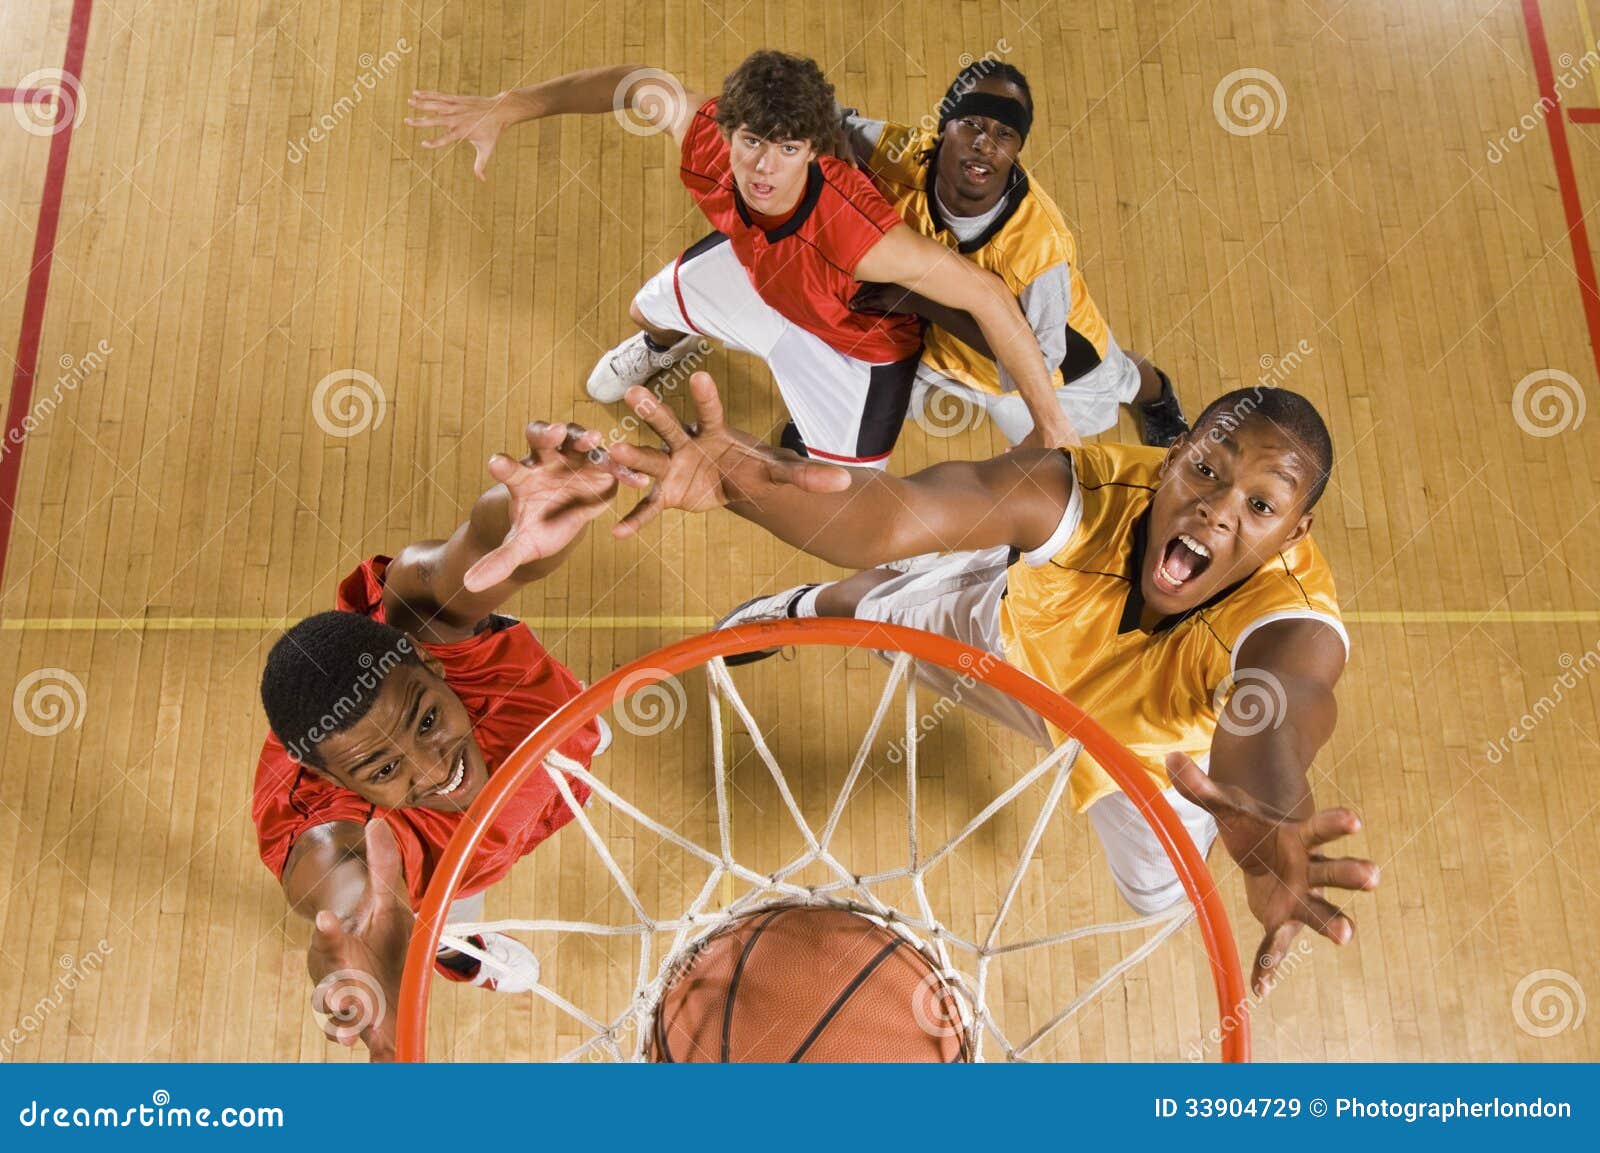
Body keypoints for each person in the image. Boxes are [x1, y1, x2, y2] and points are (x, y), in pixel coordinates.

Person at [571, 373, 1378, 993]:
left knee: (1156, 894)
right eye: (1205, 469)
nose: (1215, 510)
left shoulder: (1295, 624)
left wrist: (1267, 824)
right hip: (1014, 651)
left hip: (1151, 757)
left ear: (1294, 532)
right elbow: (885, 518)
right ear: (1173, 457)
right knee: (876, 614)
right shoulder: (1076, 490)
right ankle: (800, 607)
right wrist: (742, 482)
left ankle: (910, 593)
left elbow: (1274, 721)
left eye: (1261, 505)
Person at [405, 50, 1078, 464]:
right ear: (727, 128)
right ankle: (662, 349)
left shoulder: (859, 233)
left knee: (837, 487)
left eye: (788, 150)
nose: (763, 168)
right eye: (753, 140)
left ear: (814, 151)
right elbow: (636, 83)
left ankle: (801, 444)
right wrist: (512, 105)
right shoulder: (703, 137)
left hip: (851, 346)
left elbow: (987, 295)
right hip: (763, 278)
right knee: (645, 309)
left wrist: (1053, 425)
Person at [252, 422, 651, 1060]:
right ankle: (447, 949)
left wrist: (517, 517)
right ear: (332, 783)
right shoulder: (333, 837)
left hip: (537, 747)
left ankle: (562, 766)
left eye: (428, 721)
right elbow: (337, 883)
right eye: (383, 769)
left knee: (572, 742)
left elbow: (460, 563)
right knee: (431, 911)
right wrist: (364, 944)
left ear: (432, 667)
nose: (433, 768)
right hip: (446, 875)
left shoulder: (426, 636)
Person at [841, 60, 1189, 447]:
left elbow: (1034, 362)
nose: (984, 144)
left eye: (1003, 133)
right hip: (934, 340)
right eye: (972, 123)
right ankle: (825, 431)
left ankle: (1157, 397)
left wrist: (919, 300)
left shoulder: (1040, 249)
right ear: (944, 129)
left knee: (1125, 378)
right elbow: (821, 114)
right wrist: (830, 137)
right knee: (863, 377)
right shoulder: (900, 153)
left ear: (1017, 148)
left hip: (1054, 367)